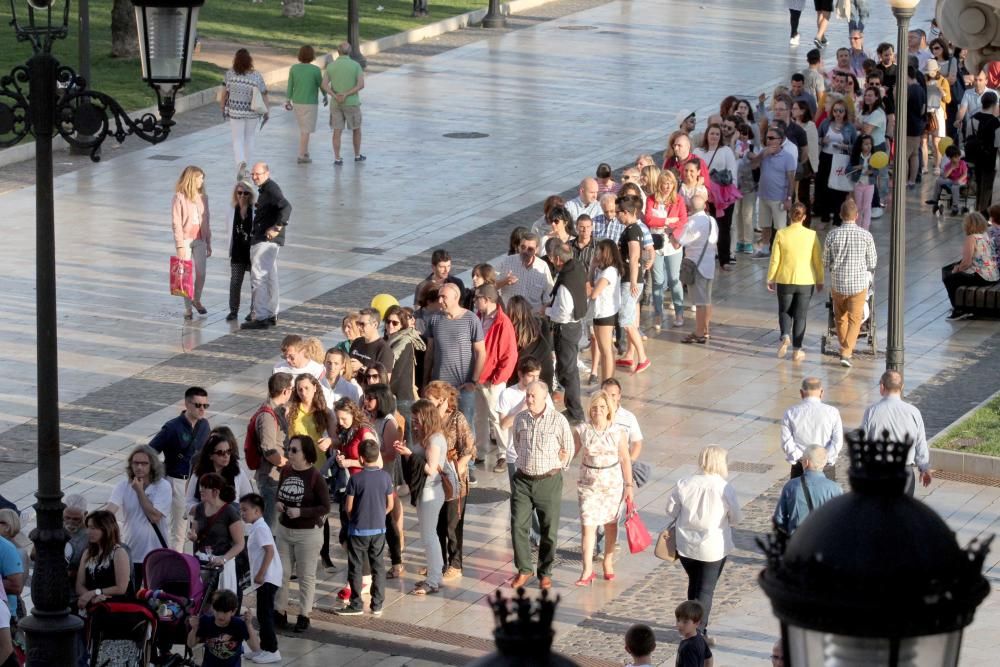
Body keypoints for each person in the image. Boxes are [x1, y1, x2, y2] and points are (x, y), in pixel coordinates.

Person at [665, 446, 743, 642]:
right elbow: (736, 518)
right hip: (713, 546)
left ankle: (687, 622)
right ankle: (699, 632)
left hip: (686, 545)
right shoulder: (724, 487)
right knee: (706, 590)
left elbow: (671, 510)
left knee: (694, 584)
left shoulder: (685, 483)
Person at [509, 381, 574, 591]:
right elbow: (517, 444)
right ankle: (524, 569)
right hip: (523, 479)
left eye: (533, 396)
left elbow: (569, 447)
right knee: (518, 525)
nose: (529, 400)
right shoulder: (520, 418)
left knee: (549, 529)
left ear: (544, 397)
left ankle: (545, 572)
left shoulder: (558, 420)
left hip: (549, 481)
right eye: (527, 395)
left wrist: (560, 463)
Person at [572, 391, 632, 586]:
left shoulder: (617, 432)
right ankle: (587, 570)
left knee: (610, 524)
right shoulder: (582, 430)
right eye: (595, 407)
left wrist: (628, 485)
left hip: (611, 485)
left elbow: (624, 459)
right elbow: (571, 453)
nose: (598, 411)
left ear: (609, 410)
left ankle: (608, 560)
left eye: (602, 407)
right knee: (587, 526)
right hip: (588, 485)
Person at [274, 435, 330, 633]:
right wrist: (279, 504)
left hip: (307, 534)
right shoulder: (286, 470)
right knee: (282, 573)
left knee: (306, 576)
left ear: (306, 454)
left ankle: (304, 614)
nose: (289, 453)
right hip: (284, 530)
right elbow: (279, 493)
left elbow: (325, 506)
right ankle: (279, 611)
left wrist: (302, 512)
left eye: (294, 450)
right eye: (289, 448)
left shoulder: (315, 477)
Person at [393, 399, 448, 595]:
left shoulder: (434, 440)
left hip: (431, 492)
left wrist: (410, 454)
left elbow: (431, 470)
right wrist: (407, 452)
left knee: (428, 537)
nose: (414, 423)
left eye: (417, 419)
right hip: (425, 491)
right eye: (413, 419)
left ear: (427, 418)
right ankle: (436, 576)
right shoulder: (425, 437)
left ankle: (433, 580)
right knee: (429, 535)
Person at [332, 439, 393, 617]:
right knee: (378, 567)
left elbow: (348, 507)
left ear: (360, 458)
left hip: (358, 530)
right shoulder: (386, 477)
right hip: (379, 530)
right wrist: (380, 517)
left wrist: (354, 520)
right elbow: (390, 504)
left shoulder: (356, 479)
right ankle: (377, 604)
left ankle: (356, 603)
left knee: (356, 567)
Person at [149, 386, 211, 551]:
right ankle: (175, 565)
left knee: (198, 527)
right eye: (198, 405)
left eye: (205, 405)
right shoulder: (172, 427)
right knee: (179, 529)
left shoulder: (205, 426)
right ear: (187, 404)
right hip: (176, 480)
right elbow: (150, 451)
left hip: (197, 481)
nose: (202, 409)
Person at [424, 381, 473, 581]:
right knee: (438, 524)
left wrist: (455, 472)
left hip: (454, 479)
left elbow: (469, 449)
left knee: (453, 525)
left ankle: (455, 564)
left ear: (442, 400)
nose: (427, 403)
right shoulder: (430, 420)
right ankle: (439, 562)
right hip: (435, 479)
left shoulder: (457, 419)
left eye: (430, 399)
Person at [106, 445, 172, 584]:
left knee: (153, 597)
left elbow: (155, 516)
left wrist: (140, 492)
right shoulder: (122, 486)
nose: (139, 467)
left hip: (155, 552)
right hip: (132, 551)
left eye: (144, 463)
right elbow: (109, 511)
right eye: (136, 463)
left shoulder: (162, 486)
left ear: (152, 465)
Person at [423, 283, 485, 430]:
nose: (440, 300)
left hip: (463, 387)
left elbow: (481, 352)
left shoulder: (471, 319)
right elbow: (430, 352)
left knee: (466, 427)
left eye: (444, 297)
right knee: (439, 426)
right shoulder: (435, 319)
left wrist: (474, 381)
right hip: (439, 387)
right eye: (439, 296)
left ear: (456, 298)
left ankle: (470, 454)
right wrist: (426, 381)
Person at [823, 198, 877, 367]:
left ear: (840, 215)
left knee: (840, 318)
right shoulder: (866, 235)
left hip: (838, 283)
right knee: (855, 319)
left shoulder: (832, 235)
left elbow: (825, 261)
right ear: (857, 216)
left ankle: (844, 349)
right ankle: (846, 352)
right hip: (858, 284)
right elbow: (873, 262)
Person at [860, 370, 932, 496]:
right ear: (902, 387)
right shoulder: (913, 412)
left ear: (882, 386)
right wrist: (924, 468)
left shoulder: (871, 412)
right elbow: (921, 443)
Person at [767, 203, 823, 361]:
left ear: (789, 215)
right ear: (804, 217)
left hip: (785, 279)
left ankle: (785, 335)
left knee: (784, 311)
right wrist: (820, 279)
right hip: (806, 280)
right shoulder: (811, 235)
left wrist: (771, 277)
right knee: (800, 316)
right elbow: (818, 260)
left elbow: (775, 259)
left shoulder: (781, 234)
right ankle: (797, 350)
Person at [363, 383, 406, 578]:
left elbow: (390, 454)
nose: (366, 401)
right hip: (366, 475)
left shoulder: (388, 422)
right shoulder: (366, 418)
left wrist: (368, 455)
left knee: (388, 520)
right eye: (365, 397)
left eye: (370, 398)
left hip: (383, 476)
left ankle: (396, 562)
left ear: (381, 400)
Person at [242, 163, 291, 330]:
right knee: (270, 277)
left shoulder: (271, 189)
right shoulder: (267, 189)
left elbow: (286, 206)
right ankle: (271, 314)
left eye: (258, 174)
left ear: (267, 173)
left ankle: (261, 316)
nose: (255, 177)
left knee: (259, 278)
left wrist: (277, 227)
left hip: (264, 240)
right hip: (267, 241)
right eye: (253, 174)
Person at [473, 284, 517, 471]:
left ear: (487, 299)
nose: (475, 301)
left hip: (492, 379)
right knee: (479, 417)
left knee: (497, 418)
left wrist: (498, 378)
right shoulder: (478, 317)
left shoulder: (502, 322)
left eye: (477, 298)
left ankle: (503, 454)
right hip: (477, 377)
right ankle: (481, 452)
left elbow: (510, 354)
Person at [545, 241, 588, 423]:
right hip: (575, 326)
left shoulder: (564, 284)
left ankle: (575, 412)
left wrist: (546, 311)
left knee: (567, 371)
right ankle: (572, 408)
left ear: (557, 259)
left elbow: (562, 313)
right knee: (569, 370)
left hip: (566, 329)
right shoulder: (576, 267)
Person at [238, 494, 282, 664]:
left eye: (245, 510)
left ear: (257, 511)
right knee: (263, 615)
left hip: (268, 579)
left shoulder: (261, 528)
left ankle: (272, 650)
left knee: (265, 615)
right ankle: (264, 649)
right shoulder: (256, 527)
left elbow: (269, 551)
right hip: (265, 579)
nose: (242, 513)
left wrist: (261, 574)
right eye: (241, 510)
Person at [189, 473, 245, 596]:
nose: (201, 490)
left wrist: (223, 559)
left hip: (222, 564)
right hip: (203, 563)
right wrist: (193, 536)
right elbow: (195, 531)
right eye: (201, 486)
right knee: (200, 600)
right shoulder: (199, 508)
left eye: (205, 487)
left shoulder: (230, 512)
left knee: (220, 602)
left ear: (216, 491)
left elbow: (240, 543)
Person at [645, 170, 687, 329]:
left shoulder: (679, 200)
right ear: (659, 184)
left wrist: (665, 224)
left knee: (674, 280)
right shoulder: (651, 199)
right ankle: (658, 314)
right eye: (664, 183)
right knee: (657, 280)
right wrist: (668, 220)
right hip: (655, 246)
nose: (667, 186)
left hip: (672, 244)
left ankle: (679, 312)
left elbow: (683, 220)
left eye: (670, 183)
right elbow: (649, 219)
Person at [251, 373, 293, 527]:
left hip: (277, 477)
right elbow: (269, 451)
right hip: (270, 478)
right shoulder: (267, 416)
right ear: (285, 391)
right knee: (271, 527)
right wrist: (291, 465)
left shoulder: (277, 410)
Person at [773, 445, 844, 536]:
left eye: (802, 459)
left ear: (806, 462)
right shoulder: (835, 489)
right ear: (824, 462)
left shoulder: (791, 486)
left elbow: (779, 519)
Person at [781, 377, 844, 478]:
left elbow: (786, 442)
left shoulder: (790, 413)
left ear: (801, 393)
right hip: (825, 467)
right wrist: (824, 458)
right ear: (821, 392)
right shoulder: (832, 412)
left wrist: (800, 458)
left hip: (800, 467)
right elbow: (837, 442)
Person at [171, 166, 211, 320]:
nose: (202, 180)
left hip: (200, 239)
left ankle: (197, 299)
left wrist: (208, 241)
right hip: (186, 241)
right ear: (191, 179)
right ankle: (188, 309)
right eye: (200, 177)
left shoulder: (203, 197)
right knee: (185, 276)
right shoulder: (179, 197)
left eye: (203, 177)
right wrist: (180, 245)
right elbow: (176, 223)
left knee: (201, 272)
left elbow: (207, 220)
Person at [942, 212, 1000, 320]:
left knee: (950, 278)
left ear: (968, 225)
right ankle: (961, 304)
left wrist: (957, 269)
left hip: (982, 277)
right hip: (994, 276)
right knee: (955, 274)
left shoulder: (971, 238)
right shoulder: (986, 236)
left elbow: (967, 263)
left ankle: (959, 309)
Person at [615, 195, 650, 372]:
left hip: (630, 280)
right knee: (629, 319)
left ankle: (642, 358)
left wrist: (634, 281)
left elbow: (635, 256)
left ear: (626, 212)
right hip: (631, 279)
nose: (616, 216)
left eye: (618, 212)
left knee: (626, 321)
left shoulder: (632, 230)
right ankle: (629, 356)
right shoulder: (633, 229)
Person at [751, 125, 797, 258]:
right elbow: (753, 165)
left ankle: (783, 252)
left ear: (780, 140)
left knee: (780, 227)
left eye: (772, 138)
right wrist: (762, 154)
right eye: (767, 138)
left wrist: (789, 198)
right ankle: (765, 249)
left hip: (779, 198)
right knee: (765, 225)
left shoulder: (788, 157)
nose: (769, 141)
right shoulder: (764, 153)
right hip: (764, 196)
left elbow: (791, 179)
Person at [222, 49, 268, 176]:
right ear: (250, 61)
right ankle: (246, 166)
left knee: (237, 139)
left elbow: (224, 93)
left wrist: (222, 107)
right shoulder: (256, 76)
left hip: (235, 111)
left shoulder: (230, 74)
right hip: (252, 112)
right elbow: (264, 93)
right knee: (250, 138)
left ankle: (240, 162)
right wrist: (267, 110)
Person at [679, 194, 719, 344]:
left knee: (700, 302)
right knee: (707, 300)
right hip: (709, 264)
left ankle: (699, 332)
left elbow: (681, 241)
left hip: (696, 265)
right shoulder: (711, 220)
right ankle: (706, 330)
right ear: (705, 206)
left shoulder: (691, 222)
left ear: (689, 207)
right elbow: (715, 240)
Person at [74, 511, 132, 611]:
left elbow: (121, 588)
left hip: (113, 603)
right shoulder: (88, 553)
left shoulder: (119, 553)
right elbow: (79, 585)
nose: (88, 532)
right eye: (88, 527)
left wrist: (95, 592)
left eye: (93, 528)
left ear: (106, 529)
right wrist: (91, 597)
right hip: (91, 600)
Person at [186, 429, 254, 513]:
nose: (226, 456)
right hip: (205, 522)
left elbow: (249, 498)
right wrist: (203, 510)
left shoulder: (237, 471)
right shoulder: (198, 473)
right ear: (210, 455)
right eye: (220, 453)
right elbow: (189, 501)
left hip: (230, 521)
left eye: (228, 451)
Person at [187, 590, 259, 667]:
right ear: (213, 608)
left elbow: (255, 648)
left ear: (233, 611)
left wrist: (249, 625)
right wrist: (194, 629)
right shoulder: (206, 621)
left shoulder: (239, 624)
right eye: (217, 611)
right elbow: (190, 644)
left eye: (225, 612)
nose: (220, 616)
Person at [322, 42, 366, 165]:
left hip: (336, 103)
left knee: (337, 130)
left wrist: (335, 95)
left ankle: (337, 158)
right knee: (356, 129)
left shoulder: (331, 66)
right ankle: (357, 155)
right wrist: (346, 94)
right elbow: (361, 85)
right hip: (352, 102)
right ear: (350, 51)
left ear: (338, 51)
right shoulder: (356, 65)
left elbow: (324, 85)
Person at [589, 240, 623, 383]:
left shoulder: (609, 272)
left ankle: (607, 384)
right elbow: (591, 285)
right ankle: (606, 382)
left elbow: (593, 293)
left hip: (605, 314)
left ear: (605, 252)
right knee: (606, 350)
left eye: (598, 250)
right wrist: (592, 268)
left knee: (606, 351)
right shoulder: (605, 270)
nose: (596, 253)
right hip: (601, 313)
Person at [285, 45, 325, 164]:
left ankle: (305, 151)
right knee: (306, 130)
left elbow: (290, 85)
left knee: (303, 129)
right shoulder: (316, 70)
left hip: (297, 102)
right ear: (312, 56)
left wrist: (288, 100)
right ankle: (302, 155)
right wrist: (325, 95)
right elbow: (321, 85)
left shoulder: (294, 68)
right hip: (310, 103)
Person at [383, 305, 423, 421]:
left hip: (401, 398)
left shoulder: (404, 342)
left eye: (395, 323)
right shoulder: (387, 340)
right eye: (388, 321)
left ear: (402, 325)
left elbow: (397, 372)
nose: (390, 325)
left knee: (406, 435)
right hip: (391, 396)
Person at [495, 232, 555, 309]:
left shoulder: (542, 267)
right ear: (518, 247)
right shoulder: (507, 262)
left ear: (536, 250)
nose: (525, 251)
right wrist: (505, 281)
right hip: (510, 315)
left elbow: (549, 296)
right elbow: (490, 287)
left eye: (530, 249)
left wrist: (543, 313)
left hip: (533, 317)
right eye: (523, 247)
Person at [227, 180, 255, 322]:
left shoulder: (254, 210)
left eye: (245, 193)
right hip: (237, 252)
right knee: (235, 282)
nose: (242, 196)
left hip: (252, 253)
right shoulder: (232, 210)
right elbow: (229, 231)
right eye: (239, 193)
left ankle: (254, 311)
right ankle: (233, 311)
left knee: (255, 283)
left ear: (250, 195)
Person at [968, 91, 1000, 211]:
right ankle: (982, 215)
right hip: (989, 160)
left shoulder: (972, 119)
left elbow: (967, 138)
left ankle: (978, 212)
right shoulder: (996, 123)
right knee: (987, 188)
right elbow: (997, 144)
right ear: (994, 104)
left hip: (975, 159)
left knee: (979, 185)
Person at [62, 494, 90, 609]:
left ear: (85, 515)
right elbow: (34, 555)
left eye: (76, 519)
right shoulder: (56, 528)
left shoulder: (90, 535)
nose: (71, 522)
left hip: (77, 596)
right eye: (67, 517)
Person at [926, 144, 968, 215]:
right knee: (939, 181)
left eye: (958, 157)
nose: (957, 159)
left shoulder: (962, 163)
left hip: (961, 181)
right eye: (955, 157)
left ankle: (955, 206)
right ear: (950, 158)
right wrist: (951, 168)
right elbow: (945, 176)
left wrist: (958, 180)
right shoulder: (948, 165)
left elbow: (965, 174)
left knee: (955, 187)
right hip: (951, 180)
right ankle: (935, 199)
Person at [849, 133, 879, 229]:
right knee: (858, 206)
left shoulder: (874, 157)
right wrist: (856, 167)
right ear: (860, 146)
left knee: (867, 206)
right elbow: (848, 169)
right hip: (858, 184)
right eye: (866, 144)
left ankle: (865, 227)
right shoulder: (856, 156)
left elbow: (877, 171)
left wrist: (871, 172)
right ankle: (858, 226)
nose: (868, 146)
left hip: (869, 185)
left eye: (870, 144)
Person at [675, 600, 714, 667]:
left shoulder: (689, 647)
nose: (680, 624)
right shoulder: (700, 637)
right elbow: (709, 658)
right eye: (678, 620)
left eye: (685, 622)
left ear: (696, 623)